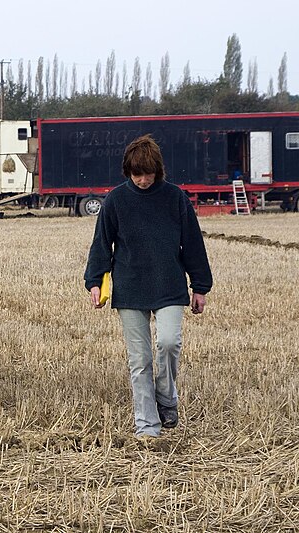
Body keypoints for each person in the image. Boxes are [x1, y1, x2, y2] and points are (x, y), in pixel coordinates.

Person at [84, 135, 213, 440]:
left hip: (169, 284)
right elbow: (101, 244)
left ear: (158, 170)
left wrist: (200, 287)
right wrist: (94, 281)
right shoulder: (116, 200)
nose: (143, 180)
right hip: (129, 287)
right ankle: (147, 426)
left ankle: (167, 398)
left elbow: (193, 244)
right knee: (139, 360)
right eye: (136, 174)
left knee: (168, 343)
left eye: (148, 174)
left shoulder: (175, 198)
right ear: (127, 172)